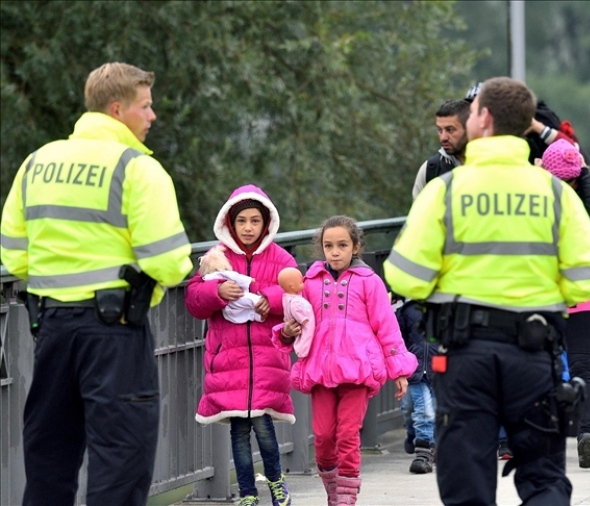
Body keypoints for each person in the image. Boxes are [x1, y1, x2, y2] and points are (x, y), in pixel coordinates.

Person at [384, 77, 590, 505]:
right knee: (543, 479)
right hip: (533, 353)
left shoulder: (445, 192)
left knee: (467, 482)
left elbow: (403, 278)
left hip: (463, 357)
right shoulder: (554, 193)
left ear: (484, 119)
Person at [0, 62, 193, 506]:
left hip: (49, 330)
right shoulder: (138, 169)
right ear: (117, 108)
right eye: (145, 106)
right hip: (115, 334)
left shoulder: (37, 163)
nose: (153, 116)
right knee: (120, 462)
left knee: (49, 458)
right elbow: (167, 261)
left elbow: (13, 253)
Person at [276, 215, 417, 506]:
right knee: (324, 436)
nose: (335, 251)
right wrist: (287, 332)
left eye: (342, 245)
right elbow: (297, 318)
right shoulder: (311, 282)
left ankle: (346, 497)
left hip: (358, 370)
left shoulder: (370, 282)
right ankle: (333, 487)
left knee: (347, 433)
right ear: (322, 248)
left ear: (356, 247)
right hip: (321, 369)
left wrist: (399, 371)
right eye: (329, 246)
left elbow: (386, 326)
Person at [186, 185, 296, 506]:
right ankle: (248, 493)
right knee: (238, 432)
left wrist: (269, 299)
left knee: (263, 428)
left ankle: (276, 482)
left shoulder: (281, 258)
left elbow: (295, 292)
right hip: (228, 363)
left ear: (266, 224)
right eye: (242, 221)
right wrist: (217, 294)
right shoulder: (215, 259)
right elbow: (194, 300)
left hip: (266, 360)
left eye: (255, 221)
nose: (248, 228)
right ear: (230, 224)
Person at [537, 138, 590, 468]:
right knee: (584, 369)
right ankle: (587, 431)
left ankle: (549, 436)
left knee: (545, 367)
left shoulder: (539, 199)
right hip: (587, 295)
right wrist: (584, 177)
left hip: (549, 296)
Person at [395, 297, 439, 474]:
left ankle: (424, 451)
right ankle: (413, 434)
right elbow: (397, 339)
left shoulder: (446, 308)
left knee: (429, 411)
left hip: (438, 369)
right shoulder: (407, 310)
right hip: (414, 368)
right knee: (409, 409)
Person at [411, 99, 470, 199]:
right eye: (440, 130)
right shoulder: (430, 169)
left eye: (450, 130)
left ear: (469, 128)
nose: (443, 137)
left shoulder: (489, 165)